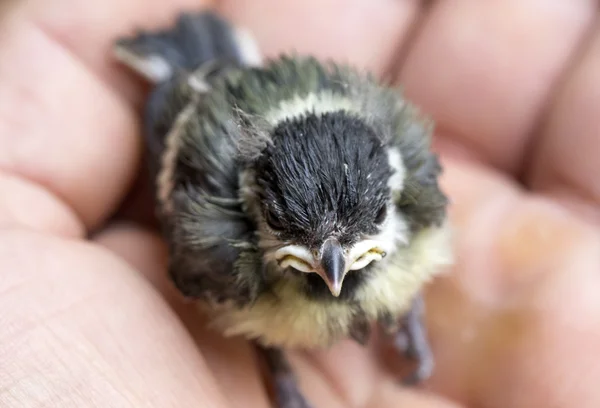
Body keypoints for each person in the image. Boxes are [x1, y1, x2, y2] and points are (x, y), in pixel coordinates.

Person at [1, 1, 599, 407]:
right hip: (206, 97)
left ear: (393, 193)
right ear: (254, 205)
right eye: (296, 235)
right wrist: (280, 374)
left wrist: (406, 306)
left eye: (357, 237)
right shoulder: (222, 244)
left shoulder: (413, 180)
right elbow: (177, 141)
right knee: (276, 316)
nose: (333, 269)